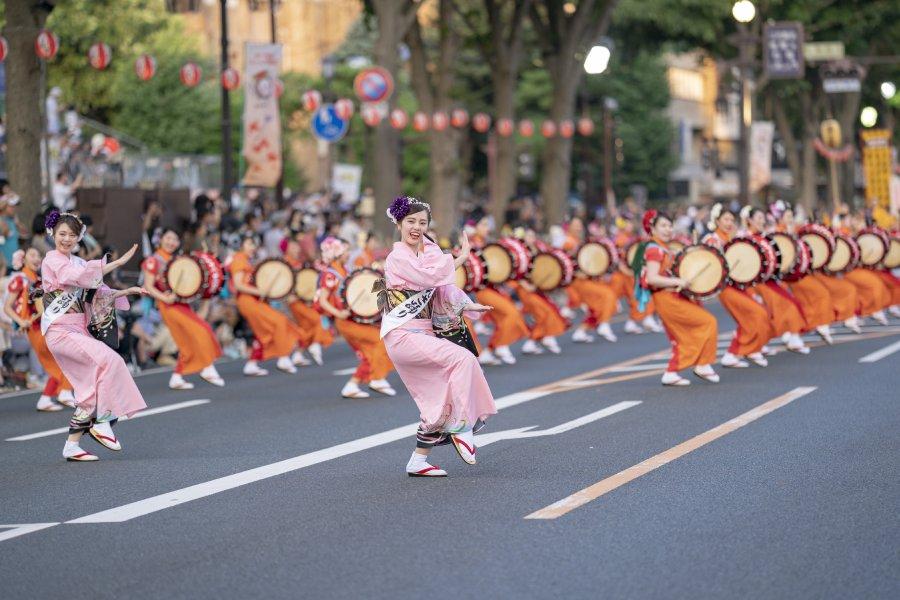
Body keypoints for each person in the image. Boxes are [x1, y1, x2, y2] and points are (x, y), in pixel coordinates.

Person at [380, 196, 496, 477]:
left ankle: (418, 461)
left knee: (440, 397)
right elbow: (430, 278)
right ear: (398, 224)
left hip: (423, 334)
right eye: (410, 221)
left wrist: (467, 304)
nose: (416, 227)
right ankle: (462, 426)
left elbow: (443, 290)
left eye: (422, 222)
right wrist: (459, 260)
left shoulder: (428, 254)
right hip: (404, 334)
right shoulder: (397, 257)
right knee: (462, 359)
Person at [40, 210, 147, 462]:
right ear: (53, 233)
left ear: (79, 238)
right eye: (62, 234)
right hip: (60, 330)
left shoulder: (76, 262)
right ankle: (104, 420)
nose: (66, 239)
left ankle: (72, 446)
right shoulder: (52, 261)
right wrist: (116, 263)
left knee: (89, 389)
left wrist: (127, 291)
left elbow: (97, 292)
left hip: (76, 329)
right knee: (111, 361)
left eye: (72, 235)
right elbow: (76, 278)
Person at [635, 210, 719, 386]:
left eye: (669, 225)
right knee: (707, 322)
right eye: (662, 226)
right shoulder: (654, 249)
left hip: (672, 295)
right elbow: (652, 278)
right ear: (653, 229)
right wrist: (678, 280)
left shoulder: (662, 247)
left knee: (688, 333)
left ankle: (678, 370)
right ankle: (696, 365)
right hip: (666, 298)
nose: (667, 229)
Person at [141, 229, 224, 390]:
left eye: (174, 239)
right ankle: (207, 367)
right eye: (168, 238)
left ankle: (177, 377)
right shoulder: (153, 260)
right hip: (168, 306)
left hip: (180, 304)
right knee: (202, 329)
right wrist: (165, 298)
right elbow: (148, 286)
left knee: (185, 342)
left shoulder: (177, 259)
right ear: (160, 240)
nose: (171, 242)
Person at [317, 236, 396, 398]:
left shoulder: (344, 270)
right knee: (381, 340)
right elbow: (322, 300)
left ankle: (352, 386)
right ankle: (377, 379)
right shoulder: (330, 274)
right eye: (346, 250)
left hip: (352, 319)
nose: (348, 253)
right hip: (345, 321)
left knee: (369, 354)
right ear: (336, 252)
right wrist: (338, 312)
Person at [4, 247, 76, 411]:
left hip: (42, 325)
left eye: (39, 255)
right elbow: (7, 307)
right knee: (62, 360)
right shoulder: (20, 280)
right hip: (35, 330)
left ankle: (49, 397)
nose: (37, 258)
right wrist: (21, 321)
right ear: (23, 259)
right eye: (33, 255)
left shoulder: (37, 279)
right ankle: (63, 392)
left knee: (61, 361)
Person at [702, 204, 773, 367]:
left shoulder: (731, 239)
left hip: (737, 286)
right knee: (753, 314)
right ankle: (734, 352)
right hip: (725, 288)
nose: (729, 223)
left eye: (731, 220)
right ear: (717, 221)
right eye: (725, 219)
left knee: (757, 314)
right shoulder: (712, 240)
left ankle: (748, 349)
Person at [228, 233, 304, 376]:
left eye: (254, 244)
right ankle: (283, 357)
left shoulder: (246, 260)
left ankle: (252, 364)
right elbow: (238, 285)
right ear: (241, 245)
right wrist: (259, 290)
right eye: (249, 243)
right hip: (247, 301)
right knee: (279, 322)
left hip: (253, 300)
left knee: (264, 332)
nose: (253, 247)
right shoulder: (238, 260)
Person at [743, 207, 810, 354]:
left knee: (787, 303)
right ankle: (790, 336)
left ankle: (789, 335)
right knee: (782, 305)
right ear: (749, 221)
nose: (761, 221)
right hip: (756, 282)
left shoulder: (764, 236)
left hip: (769, 279)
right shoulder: (745, 239)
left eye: (762, 218)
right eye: (758, 218)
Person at [282, 236, 329, 365]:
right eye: (293, 246)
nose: (296, 249)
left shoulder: (298, 263)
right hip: (292, 301)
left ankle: (298, 354)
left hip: (301, 300)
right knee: (315, 319)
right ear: (286, 249)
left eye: (297, 246)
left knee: (306, 327)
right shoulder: (284, 263)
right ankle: (314, 344)